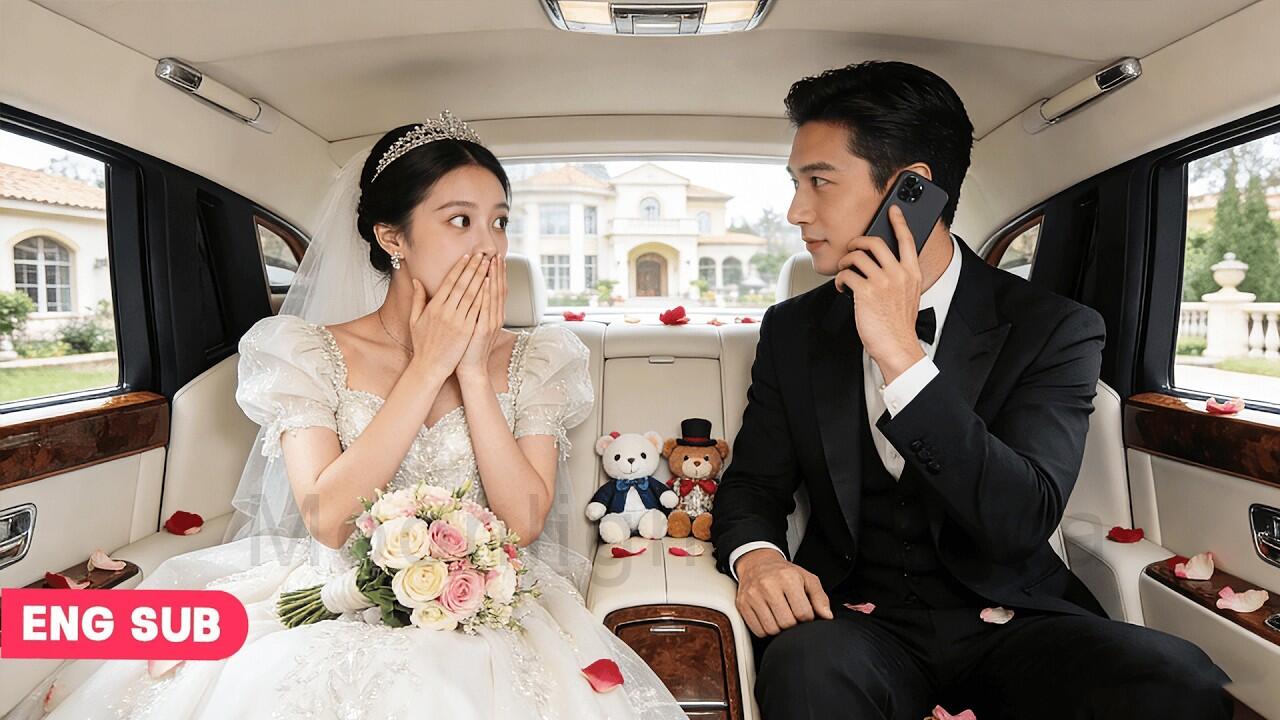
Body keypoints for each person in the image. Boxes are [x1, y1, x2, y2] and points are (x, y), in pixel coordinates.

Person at [6, 112, 683, 720]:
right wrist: (427, 368)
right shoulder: (304, 351)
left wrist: (473, 370)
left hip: (483, 606)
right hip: (336, 600)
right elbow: (329, 519)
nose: (490, 246)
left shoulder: (537, 358)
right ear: (392, 236)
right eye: (460, 220)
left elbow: (522, 522)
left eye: (500, 221)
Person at [711, 62, 1233, 720]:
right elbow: (752, 487)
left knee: (1177, 681)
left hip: (1017, 622)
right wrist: (758, 560)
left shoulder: (1056, 328)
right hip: (852, 624)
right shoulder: (794, 330)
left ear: (910, 191)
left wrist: (900, 355)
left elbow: (1020, 520)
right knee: (807, 671)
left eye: (819, 182)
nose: (795, 212)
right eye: (796, 184)